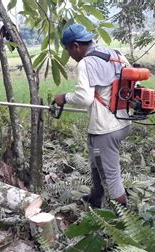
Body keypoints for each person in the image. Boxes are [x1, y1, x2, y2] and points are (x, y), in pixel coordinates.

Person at [54, 24, 131, 208]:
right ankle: (96, 197)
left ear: (76, 46)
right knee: (96, 161)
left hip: (106, 129)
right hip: (123, 122)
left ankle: (123, 219)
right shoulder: (116, 54)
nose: (69, 54)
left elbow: (84, 98)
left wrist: (63, 98)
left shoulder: (86, 63)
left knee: (110, 175)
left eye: (68, 49)